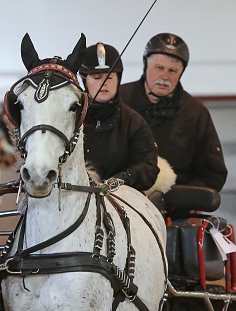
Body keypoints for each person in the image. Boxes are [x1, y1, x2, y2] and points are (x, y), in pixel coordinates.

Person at [120, 33, 227, 192]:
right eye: (159, 68)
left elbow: (213, 174)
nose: (165, 76)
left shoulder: (196, 113)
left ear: (181, 73)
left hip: (176, 207)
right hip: (120, 201)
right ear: (145, 65)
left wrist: (182, 198)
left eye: (173, 70)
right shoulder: (119, 101)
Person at [78, 42, 159, 191]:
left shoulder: (134, 121)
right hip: (74, 197)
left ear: (118, 79)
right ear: (85, 81)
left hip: (121, 198)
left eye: (109, 78)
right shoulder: (72, 118)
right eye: (96, 77)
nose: (104, 83)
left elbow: (149, 167)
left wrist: (125, 177)